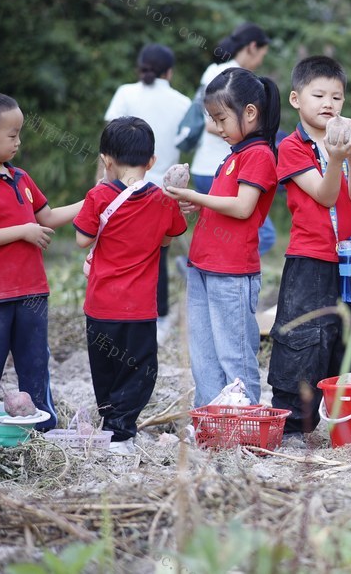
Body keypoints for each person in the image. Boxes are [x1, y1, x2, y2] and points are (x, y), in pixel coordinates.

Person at [0, 91, 83, 440]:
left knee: (35, 361)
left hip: (32, 292)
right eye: (12, 135)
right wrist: (22, 231)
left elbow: (49, 217)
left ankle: (42, 423)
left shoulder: (21, 178)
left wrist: (94, 200)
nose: (18, 142)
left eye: (19, 133)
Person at [267, 56, 351, 443]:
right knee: (306, 338)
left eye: (336, 96)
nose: (328, 103)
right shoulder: (292, 147)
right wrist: (335, 158)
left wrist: (350, 157)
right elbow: (325, 195)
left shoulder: (349, 142)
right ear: (296, 99)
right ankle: (296, 427)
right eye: (318, 95)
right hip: (310, 258)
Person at [165, 68, 280, 407]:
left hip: (232, 272)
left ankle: (243, 420)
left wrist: (194, 196)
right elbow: (224, 208)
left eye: (220, 119)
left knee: (234, 354)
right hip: (203, 265)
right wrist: (193, 204)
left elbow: (244, 208)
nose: (216, 129)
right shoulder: (234, 156)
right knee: (203, 352)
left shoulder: (259, 155)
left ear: (249, 113)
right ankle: (209, 420)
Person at [74, 117, 187, 454]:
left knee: (104, 367)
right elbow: (169, 237)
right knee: (138, 369)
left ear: (106, 161)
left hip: (100, 306)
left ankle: (110, 423)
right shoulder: (163, 199)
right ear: (151, 161)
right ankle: (122, 431)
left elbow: (82, 240)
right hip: (139, 309)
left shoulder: (99, 194)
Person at [104, 44, 190, 341]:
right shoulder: (182, 102)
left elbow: (108, 143)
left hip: (121, 185)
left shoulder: (125, 93)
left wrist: (102, 181)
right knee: (158, 252)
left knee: (117, 249)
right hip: (161, 188)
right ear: (170, 72)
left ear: (140, 66)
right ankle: (159, 317)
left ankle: (118, 311)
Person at [185, 23, 278, 255]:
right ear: (252, 47)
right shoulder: (226, 76)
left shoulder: (234, 74)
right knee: (259, 233)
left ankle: (215, 264)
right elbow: (208, 122)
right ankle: (225, 266)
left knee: (224, 228)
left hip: (224, 164)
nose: (260, 62)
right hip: (214, 165)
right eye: (262, 55)